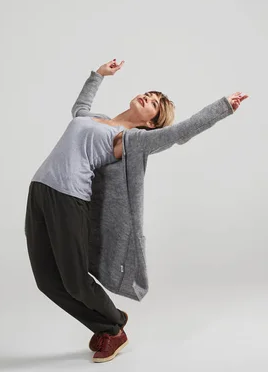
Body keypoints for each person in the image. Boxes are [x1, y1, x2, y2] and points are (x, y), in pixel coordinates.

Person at [24, 59, 248, 363]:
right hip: (39, 190)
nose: (148, 97)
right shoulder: (94, 117)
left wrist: (222, 107)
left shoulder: (130, 140)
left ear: (151, 123)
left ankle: (114, 327)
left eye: (154, 103)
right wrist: (98, 75)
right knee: (46, 280)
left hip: (69, 199)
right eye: (149, 94)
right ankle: (109, 322)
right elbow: (80, 105)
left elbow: (179, 133)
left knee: (74, 279)